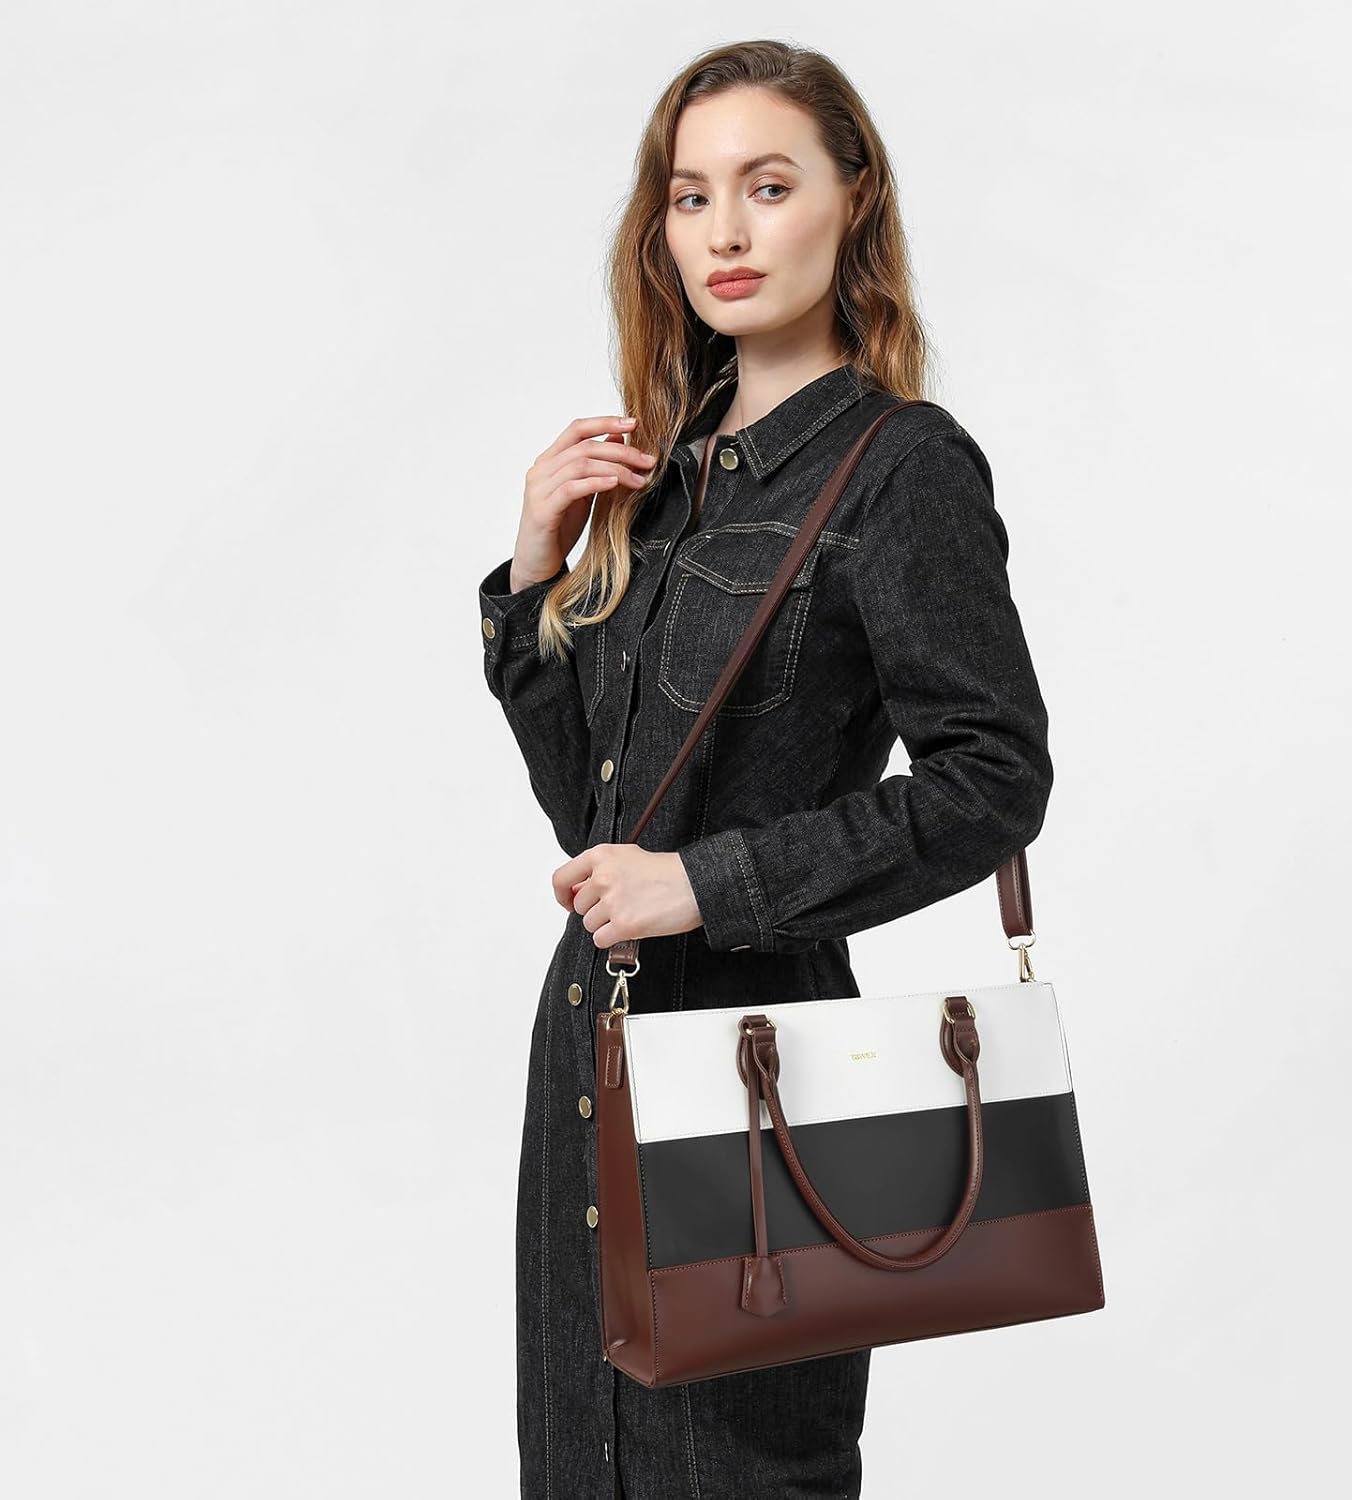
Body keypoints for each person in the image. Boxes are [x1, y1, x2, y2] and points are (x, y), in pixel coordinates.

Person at [477, 39, 1053, 1500]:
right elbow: (601, 817)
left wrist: (705, 885)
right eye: (691, 196)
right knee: (585, 1462)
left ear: (852, 201)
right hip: (591, 1056)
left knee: (739, 1470)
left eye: (769, 185)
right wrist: (533, 581)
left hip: (757, 1062)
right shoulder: (657, 478)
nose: (725, 231)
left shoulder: (903, 466)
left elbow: (993, 777)